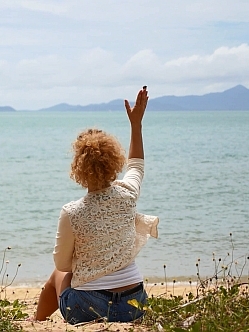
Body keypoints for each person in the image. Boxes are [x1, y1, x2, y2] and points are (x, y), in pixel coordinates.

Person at [31, 87, 159, 324]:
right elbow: (137, 166)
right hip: (135, 304)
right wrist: (136, 124)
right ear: (114, 162)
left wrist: (90, 260)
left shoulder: (72, 212)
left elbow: (62, 263)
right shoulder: (128, 193)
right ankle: (37, 321)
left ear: (78, 169)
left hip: (87, 308)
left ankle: (36, 321)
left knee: (57, 275)